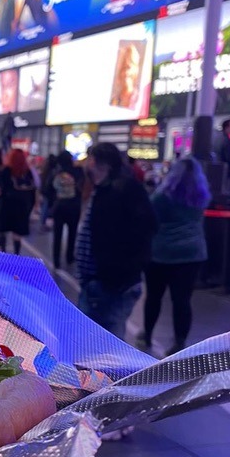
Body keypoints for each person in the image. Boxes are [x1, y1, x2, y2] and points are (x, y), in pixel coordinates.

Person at [76, 142, 157, 339]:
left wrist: (117, 272)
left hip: (111, 283)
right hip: (99, 281)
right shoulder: (104, 189)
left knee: (105, 341)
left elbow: (145, 229)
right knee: (90, 338)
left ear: (97, 162)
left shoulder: (123, 190)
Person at [137, 158, 210, 355]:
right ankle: (180, 342)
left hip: (162, 253)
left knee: (154, 297)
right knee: (182, 300)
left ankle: (147, 334)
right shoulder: (201, 196)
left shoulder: (162, 197)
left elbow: (149, 219)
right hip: (192, 254)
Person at [0, 148, 36, 255]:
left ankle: (3, 253)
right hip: (22, 206)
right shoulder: (27, 172)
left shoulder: (6, 171)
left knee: (3, 230)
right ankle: (16, 255)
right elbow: (33, 190)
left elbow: (1, 188)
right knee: (17, 234)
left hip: (7, 205)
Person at [51, 150, 84, 270]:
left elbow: (50, 188)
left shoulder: (56, 172)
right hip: (73, 205)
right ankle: (69, 256)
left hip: (59, 205)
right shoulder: (78, 171)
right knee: (72, 232)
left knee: (57, 234)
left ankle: (56, 260)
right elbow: (81, 187)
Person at [38, 154, 58, 230]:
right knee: (47, 207)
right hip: (50, 192)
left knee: (45, 207)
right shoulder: (54, 171)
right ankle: (44, 223)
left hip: (45, 191)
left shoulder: (46, 170)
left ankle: (43, 223)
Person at [218, 117, 230, 188]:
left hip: (218, 169)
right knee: (226, 188)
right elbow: (228, 157)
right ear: (227, 127)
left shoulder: (218, 137)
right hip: (226, 170)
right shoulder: (227, 140)